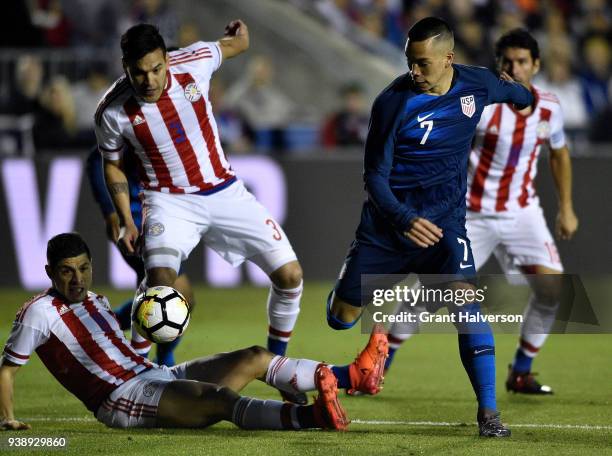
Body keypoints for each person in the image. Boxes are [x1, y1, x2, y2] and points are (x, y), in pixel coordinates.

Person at [326, 17, 533, 437]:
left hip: (444, 226)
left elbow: (514, 92)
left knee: (465, 301)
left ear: (448, 59)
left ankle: (489, 414)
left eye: (422, 64)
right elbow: (375, 177)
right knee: (341, 317)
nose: (413, 72)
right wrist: (403, 219)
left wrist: (524, 95)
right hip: (388, 227)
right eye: (409, 62)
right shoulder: (392, 103)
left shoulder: (476, 85)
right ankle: (353, 361)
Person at [94, 22, 310, 401]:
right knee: (160, 286)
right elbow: (111, 163)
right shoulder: (112, 111)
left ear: (166, 58)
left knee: (291, 276)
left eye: (156, 68)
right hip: (167, 200)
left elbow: (238, 44)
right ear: (125, 67)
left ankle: (278, 368)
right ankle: (134, 378)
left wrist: (240, 31)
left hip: (226, 192)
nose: (149, 79)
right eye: (138, 72)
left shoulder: (194, 60)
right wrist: (127, 218)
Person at [0, 233, 389, 431]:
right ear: (51, 272)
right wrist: (7, 419)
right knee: (220, 400)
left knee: (254, 355)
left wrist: (144, 317)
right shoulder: (39, 313)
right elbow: (7, 369)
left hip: (154, 375)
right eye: (66, 270)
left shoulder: (96, 301)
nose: (77, 278)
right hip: (120, 399)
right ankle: (311, 419)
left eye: (83, 268)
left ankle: (353, 377)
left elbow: (105, 337)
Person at [384, 29, 579, 395]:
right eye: (507, 61)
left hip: (523, 213)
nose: (514, 68)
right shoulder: (481, 105)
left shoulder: (551, 107)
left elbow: (559, 152)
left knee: (553, 288)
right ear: (497, 64)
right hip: (470, 214)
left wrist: (566, 207)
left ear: (535, 65)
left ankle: (520, 370)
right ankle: (380, 360)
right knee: (434, 292)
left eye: (522, 61)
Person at [85, 146, 194, 366]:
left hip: (159, 220)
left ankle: (103, 324)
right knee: (172, 293)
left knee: (179, 298)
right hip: (133, 224)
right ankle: (148, 363)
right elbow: (97, 161)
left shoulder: (155, 134)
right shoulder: (118, 135)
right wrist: (110, 213)